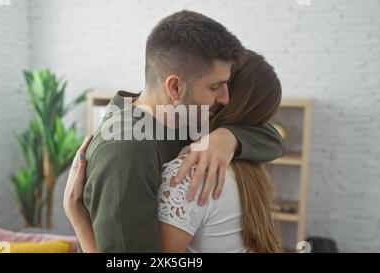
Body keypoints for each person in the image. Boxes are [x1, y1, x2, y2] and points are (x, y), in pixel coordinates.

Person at [64, 10, 285, 253]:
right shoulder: (126, 151)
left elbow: (273, 138)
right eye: (215, 87)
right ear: (176, 87)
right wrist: (78, 220)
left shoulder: (185, 118)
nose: (225, 98)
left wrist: (228, 138)